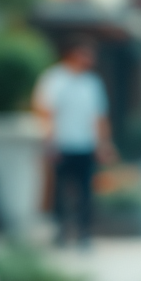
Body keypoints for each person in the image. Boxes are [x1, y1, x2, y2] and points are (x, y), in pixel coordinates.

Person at [33, 37, 116, 247]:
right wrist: (49, 141)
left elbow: (99, 116)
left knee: (86, 191)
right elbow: (45, 112)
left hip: (86, 144)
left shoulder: (91, 83)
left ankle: (84, 233)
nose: (89, 59)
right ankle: (61, 231)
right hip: (62, 143)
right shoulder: (54, 79)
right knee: (60, 190)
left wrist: (103, 143)